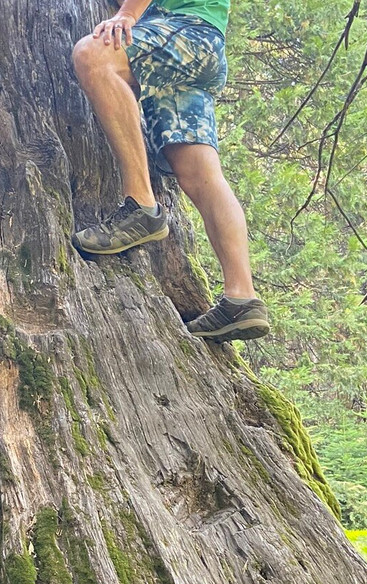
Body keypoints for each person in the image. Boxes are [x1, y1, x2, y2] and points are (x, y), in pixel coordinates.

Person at [70, 0, 269, 343]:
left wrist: (128, 15)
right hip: (200, 48)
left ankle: (141, 207)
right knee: (201, 175)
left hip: (186, 31)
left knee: (94, 55)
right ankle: (241, 298)